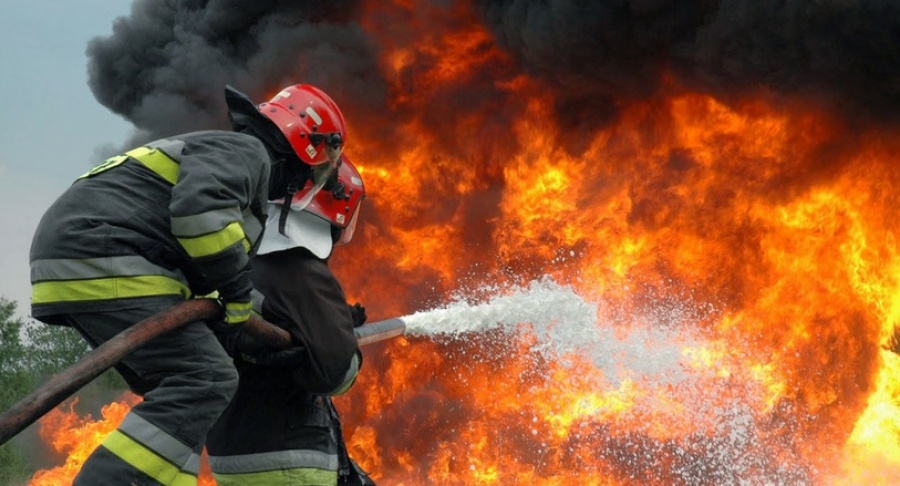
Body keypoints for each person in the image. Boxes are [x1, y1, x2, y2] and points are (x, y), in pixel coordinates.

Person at [28, 83, 348, 486]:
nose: (306, 183)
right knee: (207, 378)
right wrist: (235, 297)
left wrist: (250, 326)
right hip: (104, 252)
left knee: (183, 396)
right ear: (309, 144)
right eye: (319, 170)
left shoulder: (225, 154)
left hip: (81, 257)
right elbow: (199, 219)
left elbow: (200, 265)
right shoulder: (248, 154)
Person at [206, 155, 376, 485]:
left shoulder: (242, 263)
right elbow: (335, 373)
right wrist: (342, 341)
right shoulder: (300, 270)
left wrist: (331, 325)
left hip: (235, 450)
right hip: (288, 458)